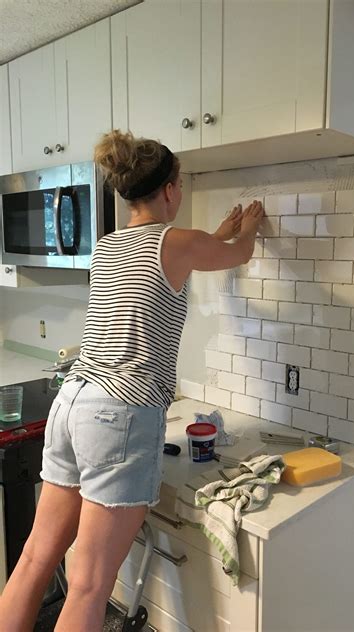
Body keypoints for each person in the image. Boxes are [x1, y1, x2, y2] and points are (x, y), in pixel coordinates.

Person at [0, 130, 264, 631]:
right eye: (180, 185)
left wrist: (223, 228)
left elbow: (191, 248)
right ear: (169, 190)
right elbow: (239, 254)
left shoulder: (107, 247)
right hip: (118, 413)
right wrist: (248, 227)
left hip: (72, 402)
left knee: (35, 559)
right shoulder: (178, 243)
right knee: (90, 586)